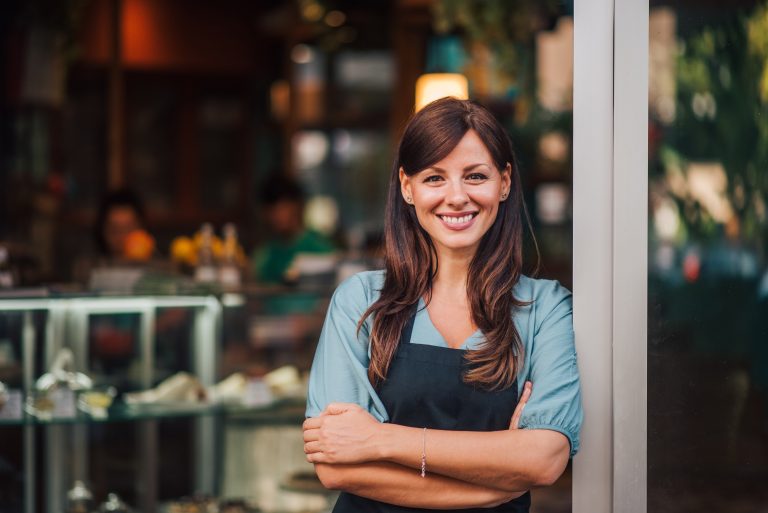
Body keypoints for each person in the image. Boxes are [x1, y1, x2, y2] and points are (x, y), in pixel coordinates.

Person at [302, 97, 583, 512]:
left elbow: (544, 460)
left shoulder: (546, 308)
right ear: (407, 187)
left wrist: (379, 439)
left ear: (504, 182)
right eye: (435, 178)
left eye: (475, 176)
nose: (456, 197)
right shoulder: (361, 301)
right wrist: (498, 484)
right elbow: (337, 469)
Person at [251, 174, 335, 284]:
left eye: (283, 206)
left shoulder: (319, 248)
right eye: (272, 209)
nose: (277, 215)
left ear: (297, 206)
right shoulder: (265, 254)